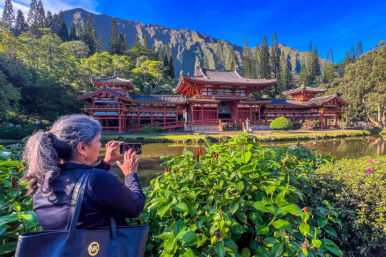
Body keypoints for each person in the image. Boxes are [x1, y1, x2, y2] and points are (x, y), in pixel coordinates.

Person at [22, 114, 145, 230]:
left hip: (60, 251)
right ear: (82, 148)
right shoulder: (98, 179)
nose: (100, 145)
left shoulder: (42, 181)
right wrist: (130, 174)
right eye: (98, 141)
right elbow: (135, 207)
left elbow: (80, 180)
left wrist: (106, 163)